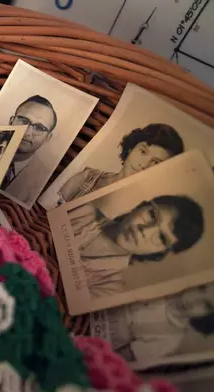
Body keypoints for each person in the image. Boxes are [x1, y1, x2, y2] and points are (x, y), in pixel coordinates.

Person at [69, 195, 204, 298]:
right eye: (152, 215)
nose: (144, 231)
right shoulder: (81, 210)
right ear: (141, 206)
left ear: (161, 252)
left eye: (162, 237)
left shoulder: (108, 289)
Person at [58, 124, 184, 203]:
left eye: (156, 162)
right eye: (143, 152)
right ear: (130, 149)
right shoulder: (87, 178)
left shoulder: (143, 209)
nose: (144, 165)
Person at [109, 284, 214, 362]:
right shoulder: (160, 286)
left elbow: (121, 358)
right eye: (201, 288)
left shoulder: (172, 339)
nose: (195, 300)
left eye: (206, 306)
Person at [2, 95, 57, 188]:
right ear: (11, 121)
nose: (27, 133)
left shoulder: (46, 181)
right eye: (23, 121)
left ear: (47, 138)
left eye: (39, 128)